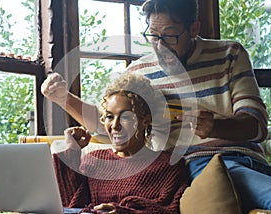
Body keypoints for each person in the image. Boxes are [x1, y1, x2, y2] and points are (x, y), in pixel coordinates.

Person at [42, 0, 271, 212]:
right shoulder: (139, 72)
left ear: (193, 29)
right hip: (174, 169)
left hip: (232, 161)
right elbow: (111, 124)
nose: (160, 46)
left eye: (170, 36)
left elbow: (258, 126)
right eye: (153, 35)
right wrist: (64, 98)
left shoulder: (229, 54)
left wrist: (215, 127)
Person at [53, 73, 189, 214]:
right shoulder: (94, 161)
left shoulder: (169, 165)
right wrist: (71, 150)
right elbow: (70, 206)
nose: (115, 125)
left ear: (145, 120)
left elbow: (167, 211)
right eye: (110, 117)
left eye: (126, 117)